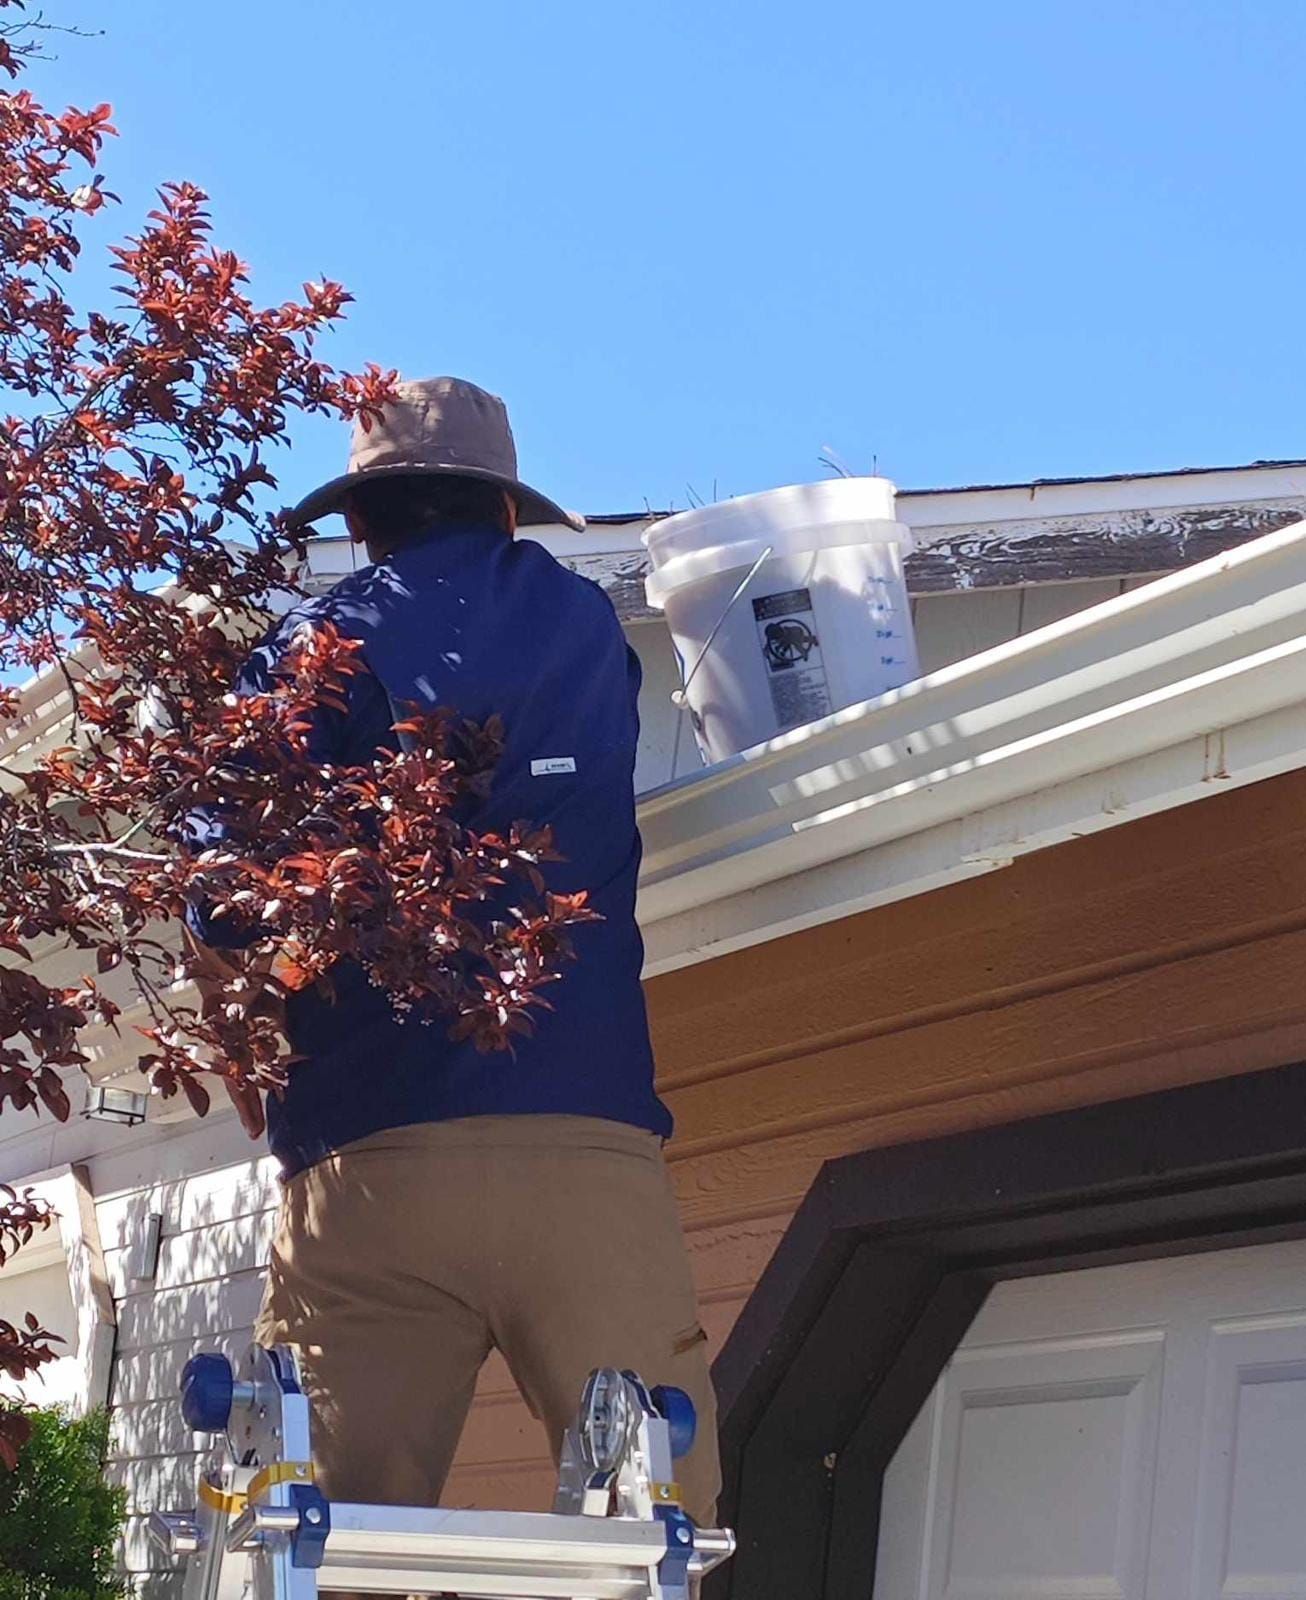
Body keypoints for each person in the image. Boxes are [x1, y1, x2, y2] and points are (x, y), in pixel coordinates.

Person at [182, 377, 719, 1527]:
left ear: (359, 520)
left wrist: (239, 1033)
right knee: (655, 1530)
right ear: (507, 510)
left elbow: (218, 892)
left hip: (368, 1168)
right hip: (587, 1149)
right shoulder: (583, 629)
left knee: (313, 1537)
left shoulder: (314, 648)